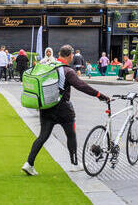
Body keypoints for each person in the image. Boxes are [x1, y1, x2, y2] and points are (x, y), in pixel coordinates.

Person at [22, 45, 110, 176]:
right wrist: (100, 95)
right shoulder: (67, 71)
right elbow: (81, 86)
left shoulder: (49, 64)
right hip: (64, 109)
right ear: (70, 56)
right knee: (71, 135)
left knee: (42, 136)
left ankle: (29, 164)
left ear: (59, 54)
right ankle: (74, 164)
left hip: (46, 107)